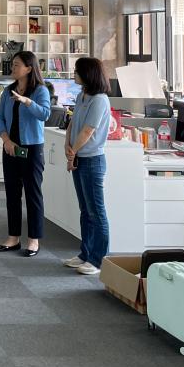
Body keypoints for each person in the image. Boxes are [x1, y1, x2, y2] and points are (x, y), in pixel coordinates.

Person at [0, 51, 51, 257]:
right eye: (13, 64)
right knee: (12, 194)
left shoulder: (41, 90)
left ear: (28, 68)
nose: (13, 68)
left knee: (32, 194)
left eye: (17, 64)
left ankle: (34, 240)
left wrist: (27, 101)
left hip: (32, 149)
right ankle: (13, 237)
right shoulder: (8, 91)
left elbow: (45, 114)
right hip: (10, 148)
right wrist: (6, 140)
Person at [64, 57, 112, 276]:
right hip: (79, 157)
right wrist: (68, 145)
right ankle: (85, 253)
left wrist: (73, 152)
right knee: (85, 210)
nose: (74, 74)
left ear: (88, 74)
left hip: (92, 160)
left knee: (96, 211)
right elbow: (74, 124)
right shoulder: (81, 96)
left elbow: (88, 131)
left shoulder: (100, 100)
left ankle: (98, 260)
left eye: (77, 71)